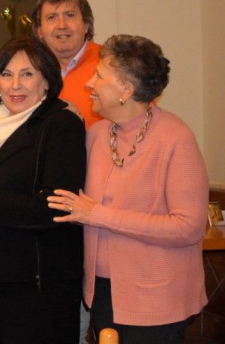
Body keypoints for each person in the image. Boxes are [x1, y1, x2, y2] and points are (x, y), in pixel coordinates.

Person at [49, 34, 208, 343]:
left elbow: (188, 228)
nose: (89, 84)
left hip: (157, 301)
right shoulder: (96, 135)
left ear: (126, 89)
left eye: (99, 76)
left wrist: (98, 214)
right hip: (102, 293)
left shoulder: (176, 138)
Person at [0, 37, 85, 343]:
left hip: (37, 283)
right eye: (7, 74)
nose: (15, 85)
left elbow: (56, 205)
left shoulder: (61, 123)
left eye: (27, 74)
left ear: (47, 80)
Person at [32, 0, 102, 126]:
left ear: (86, 24)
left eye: (70, 15)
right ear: (39, 30)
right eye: (52, 17)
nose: (61, 25)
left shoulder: (111, 63)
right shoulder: (29, 70)